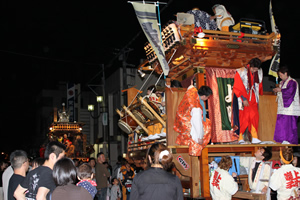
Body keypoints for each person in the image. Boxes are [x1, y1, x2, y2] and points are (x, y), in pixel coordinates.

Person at [174, 84, 212, 156]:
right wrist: (199, 137)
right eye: (207, 97)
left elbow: (190, 86)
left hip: (181, 120)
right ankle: (195, 150)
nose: (207, 99)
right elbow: (197, 122)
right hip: (187, 124)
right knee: (207, 124)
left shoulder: (192, 92)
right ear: (204, 96)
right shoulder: (196, 104)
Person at [233, 58, 263, 144]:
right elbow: (237, 86)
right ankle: (240, 137)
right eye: (253, 68)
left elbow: (259, 84)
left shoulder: (259, 72)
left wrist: (259, 93)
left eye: (256, 69)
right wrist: (243, 98)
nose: (254, 71)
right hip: (244, 97)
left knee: (254, 117)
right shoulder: (241, 71)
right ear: (249, 65)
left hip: (253, 97)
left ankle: (254, 137)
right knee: (243, 117)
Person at [273, 66, 300, 144]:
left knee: (289, 125)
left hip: (290, 108)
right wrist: (277, 91)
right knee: (282, 124)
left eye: (281, 75)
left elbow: (290, 92)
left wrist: (280, 90)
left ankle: (289, 140)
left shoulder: (292, 82)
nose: (280, 77)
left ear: (286, 73)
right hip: (282, 108)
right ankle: (282, 139)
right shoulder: (282, 83)